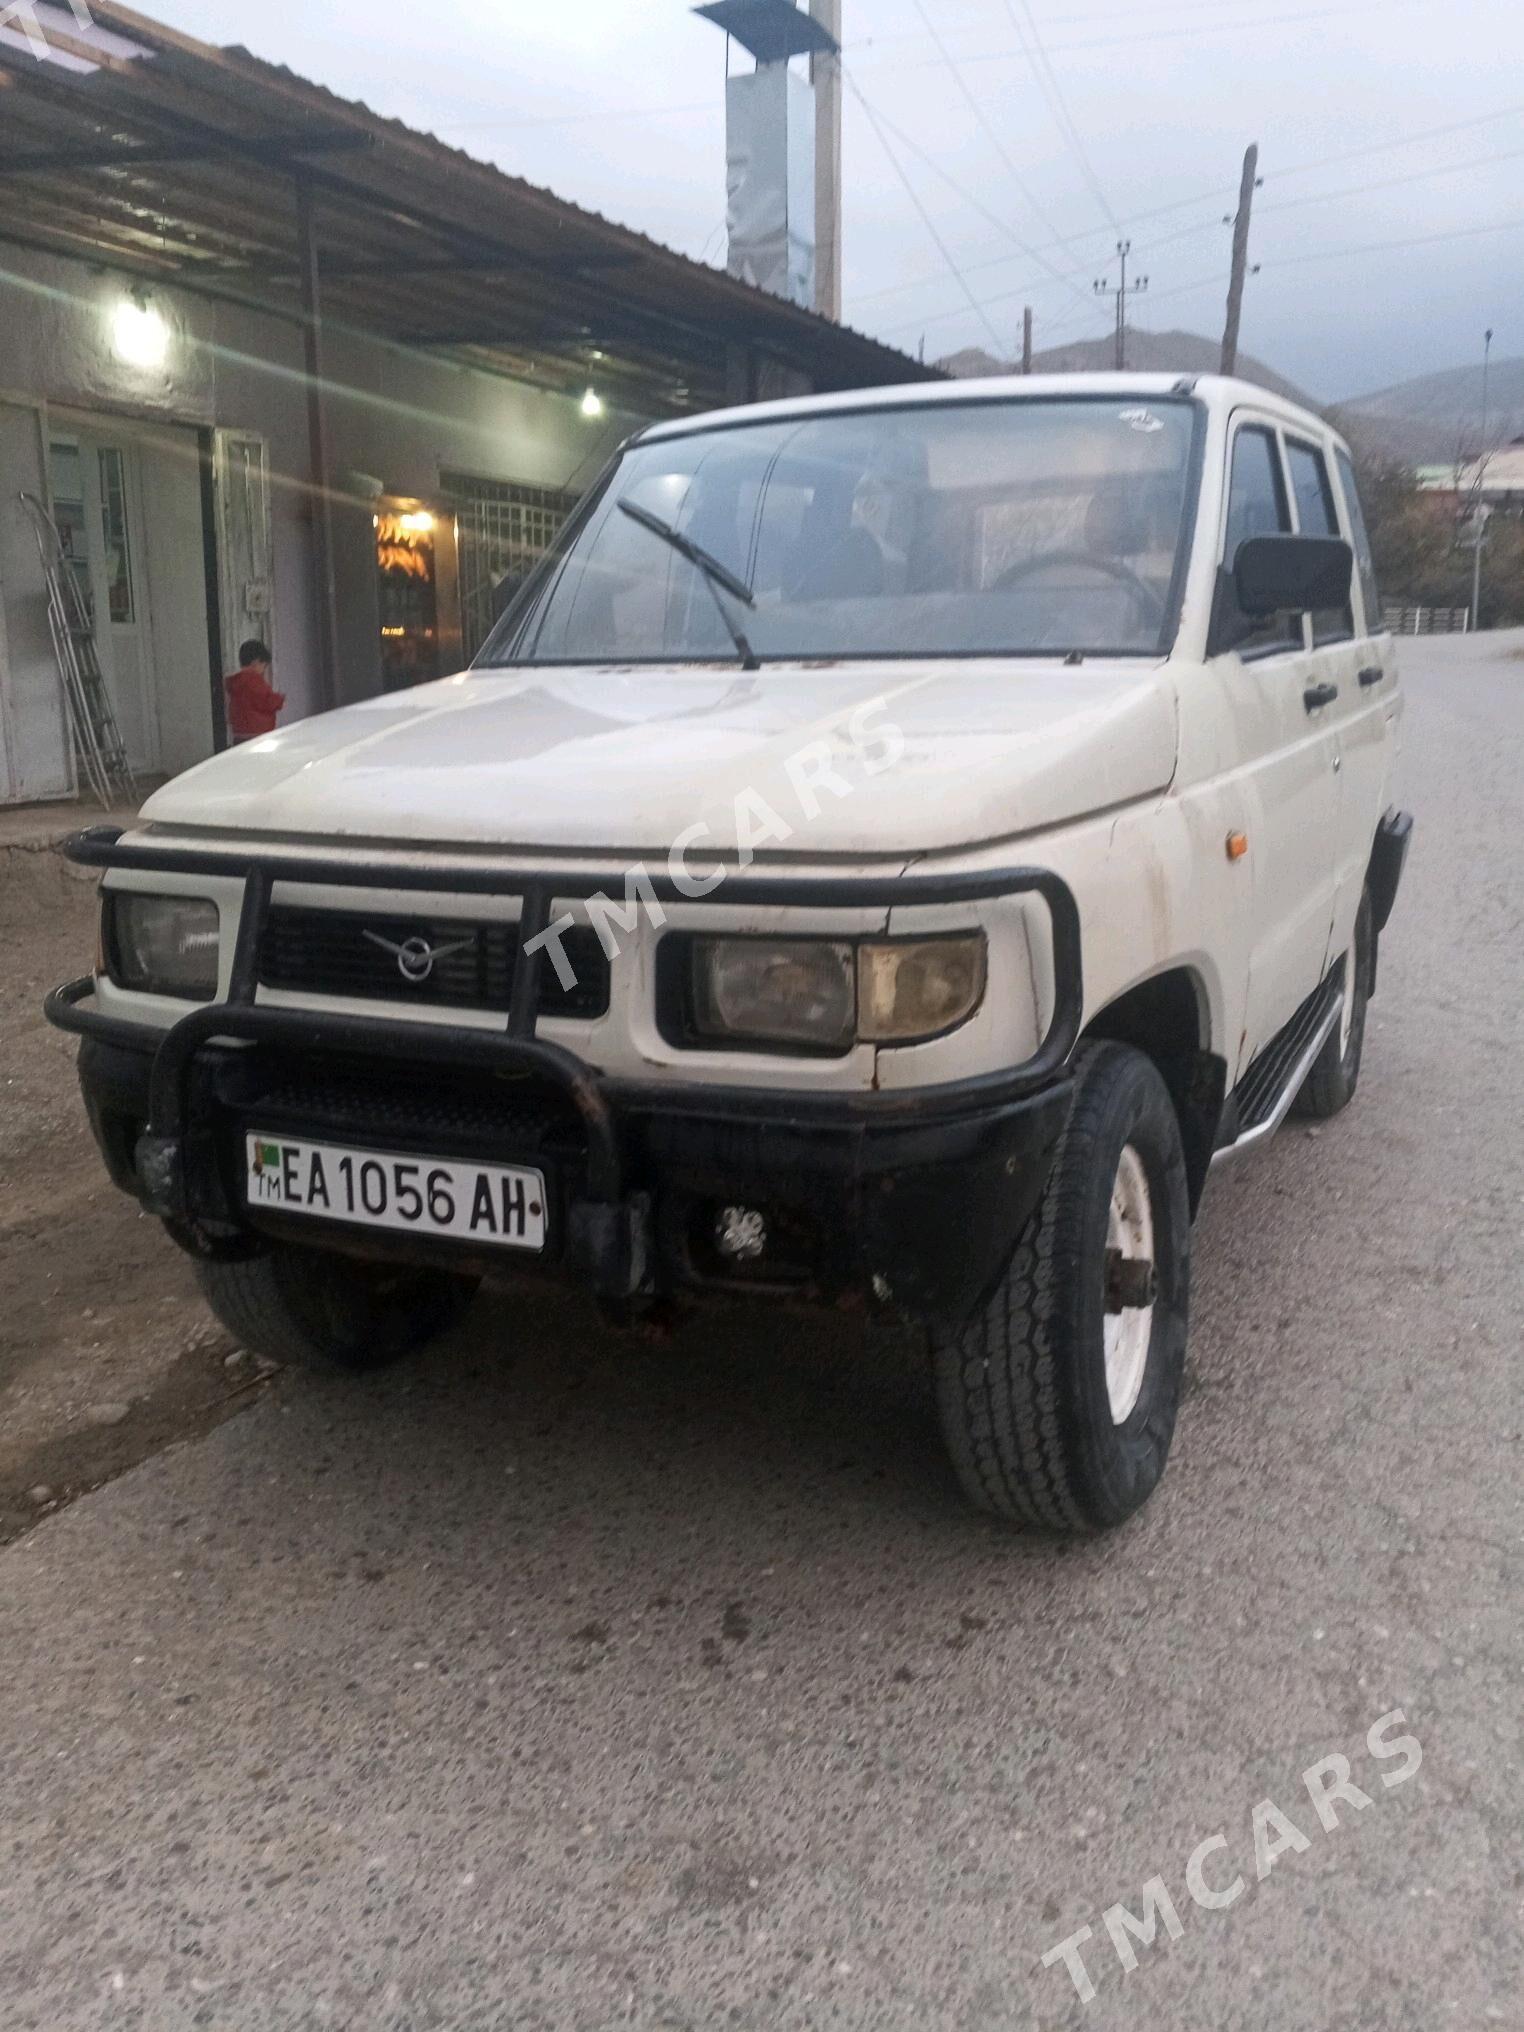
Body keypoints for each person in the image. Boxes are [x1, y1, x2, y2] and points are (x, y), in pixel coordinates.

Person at [224, 638, 285, 744]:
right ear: (256, 662)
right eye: (264, 666)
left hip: (240, 733)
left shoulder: (235, 682)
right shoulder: (253, 680)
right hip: (257, 733)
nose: (263, 670)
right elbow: (264, 700)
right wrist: (280, 700)